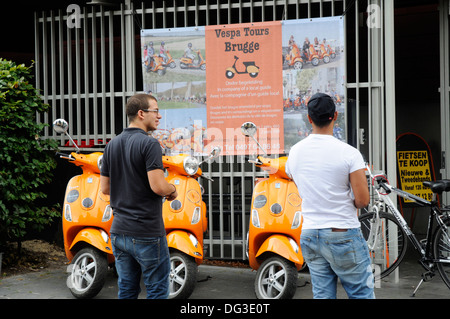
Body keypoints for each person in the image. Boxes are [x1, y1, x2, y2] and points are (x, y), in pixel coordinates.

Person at [285, 92, 374, 299]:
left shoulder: (295, 152)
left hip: (310, 234)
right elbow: (363, 200)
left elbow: (298, 182)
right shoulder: (349, 153)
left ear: (309, 119)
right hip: (342, 232)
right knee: (361, 293)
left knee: (323, 295)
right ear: (335, 116)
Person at [100, 93, 178, 299]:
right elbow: (159, 187)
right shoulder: (150, 144)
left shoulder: (111, 145)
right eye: (156, 111)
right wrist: (172, 190)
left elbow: (105, 188)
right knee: (157, 290)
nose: (159, 116)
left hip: (119, 231)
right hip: (146, 232)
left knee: (127, 289)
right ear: (141, 113)